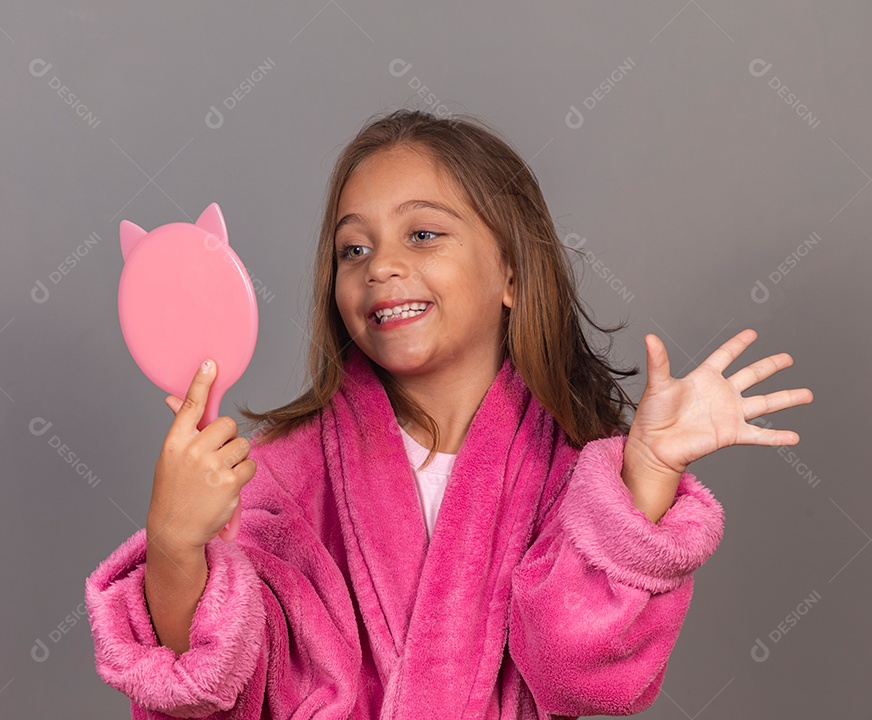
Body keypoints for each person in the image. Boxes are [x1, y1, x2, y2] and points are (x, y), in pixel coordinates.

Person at [84, 109, 813, 719]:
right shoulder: (285, 474)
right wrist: (177, 545)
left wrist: (647, 472)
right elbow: (216, 693)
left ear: (512, 273)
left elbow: (579, 674)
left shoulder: (573, 479)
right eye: (353, 248)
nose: (380, 265)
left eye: (423, 234)